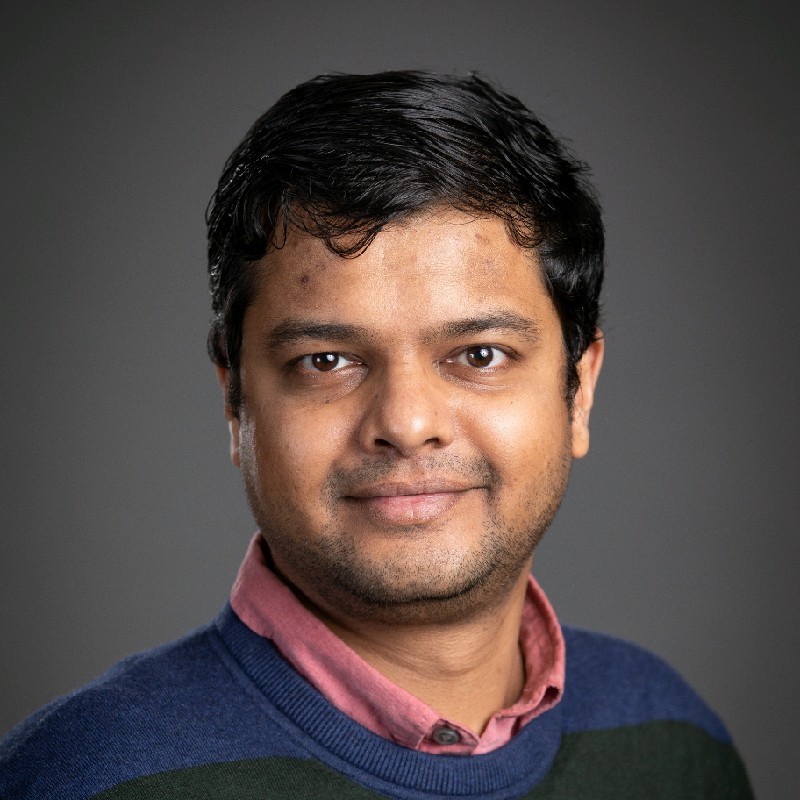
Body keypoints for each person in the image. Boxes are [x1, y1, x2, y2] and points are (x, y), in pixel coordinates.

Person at [0, 71, 752, 799]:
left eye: (479, 355)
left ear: (578, 390)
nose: (407, 423)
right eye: (326, 361)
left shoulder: (674, 744)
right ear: (235, 398)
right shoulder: (87, 779)